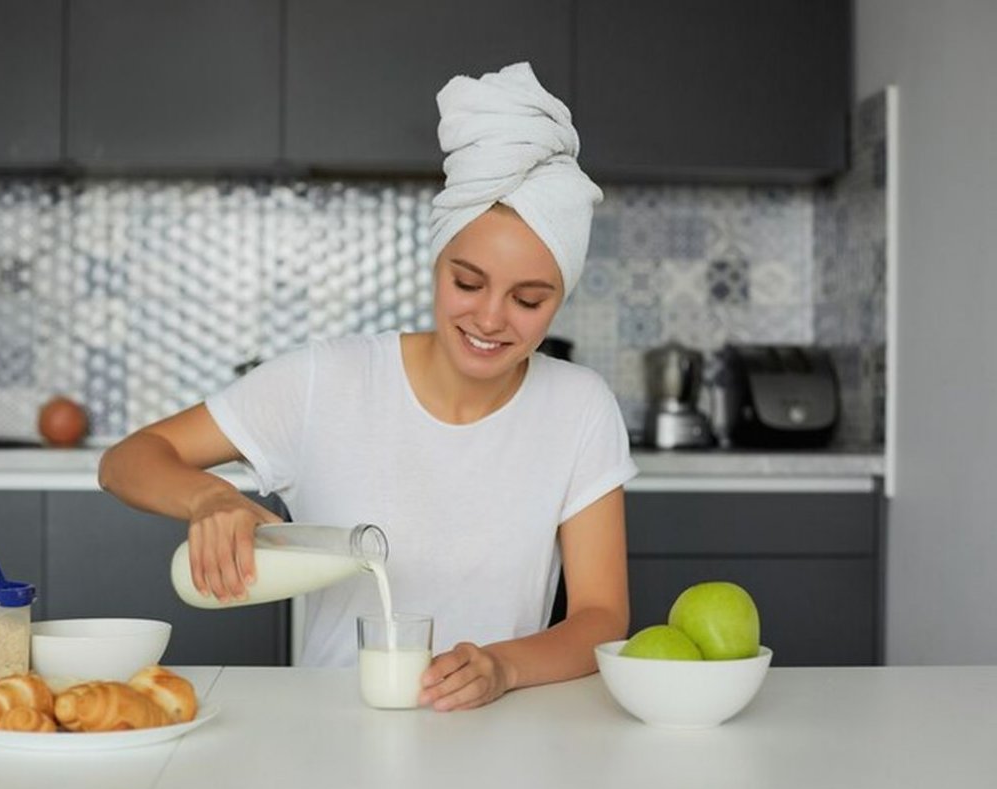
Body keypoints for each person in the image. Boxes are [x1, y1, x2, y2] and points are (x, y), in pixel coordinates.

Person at [99, 62, 638, 712]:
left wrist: (501, 668)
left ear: (560, 300)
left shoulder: (578, 408)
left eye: (528, 299)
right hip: (333, 732)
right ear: (437, 263)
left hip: (504, 732)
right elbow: (125, 460)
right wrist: (210, 499)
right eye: (467, 283)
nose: (491, 319)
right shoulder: (328, 381)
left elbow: (602, 617)